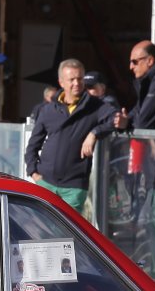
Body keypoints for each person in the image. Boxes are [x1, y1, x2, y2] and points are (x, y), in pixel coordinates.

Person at [23, 58, 117, 224]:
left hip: (74, 186)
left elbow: (115, 119)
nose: (77, 83)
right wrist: (34, 173)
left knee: (67, 232)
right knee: (41, 230)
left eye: (80, 78)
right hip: (45, 182)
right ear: (61, 82)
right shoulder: (48, 109)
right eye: (71, 79)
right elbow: (33, 145)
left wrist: (94, 133)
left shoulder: (95, 106)